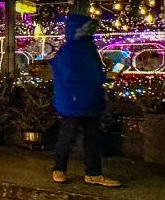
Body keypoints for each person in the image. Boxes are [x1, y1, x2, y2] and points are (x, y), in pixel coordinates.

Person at [51, 14, 122, 187]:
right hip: (76, 100)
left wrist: (101, 77)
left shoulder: (82, 48)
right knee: (71, 136)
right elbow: (71, 75)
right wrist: (103, 77)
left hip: (83, 99)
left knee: (89, 137)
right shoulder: (74, 50)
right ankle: (66, 170)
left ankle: (87, 172)